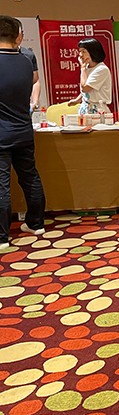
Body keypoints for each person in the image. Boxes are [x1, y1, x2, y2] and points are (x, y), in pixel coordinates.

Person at [0, 15, 46, 250]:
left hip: (1, 134)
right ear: (17, 35)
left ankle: (2, 236)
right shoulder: (27, 60)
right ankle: (36, 223)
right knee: (30, 177)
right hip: (24, 131)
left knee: (2, 184)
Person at [67, 38, 112, 114]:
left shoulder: (101, 69)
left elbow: (85, 87)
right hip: (85, 108)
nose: (80, 55)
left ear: (93, 52)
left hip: (97, 110)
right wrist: (77, 100)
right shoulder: (87, 67)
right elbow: (88, 91)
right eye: (80, 51)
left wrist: (83, 68)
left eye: (84, 51)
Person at [12, 19, 41, 111]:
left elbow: (35, 81)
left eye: (19, 33)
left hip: (23, 106)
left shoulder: (28, 55)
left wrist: (35, 102)